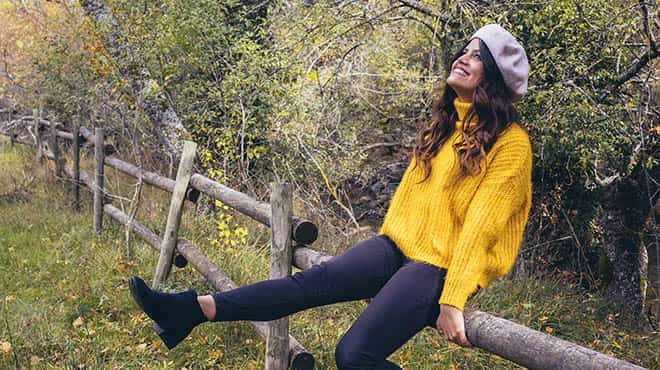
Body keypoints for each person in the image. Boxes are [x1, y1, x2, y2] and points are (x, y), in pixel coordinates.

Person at [129, 23, 533, 369]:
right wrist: (384, 268)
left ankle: (191, 310)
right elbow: (410, 204)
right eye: (463, 50)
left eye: (477, 56)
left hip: (440, 267)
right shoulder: (444, 125)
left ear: (495, 77)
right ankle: (191, 309)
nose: (462, 57)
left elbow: (482, 228)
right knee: (311, 283)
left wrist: (452, 298)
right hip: (399, 248)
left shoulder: (510, 144)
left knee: (352, 356)